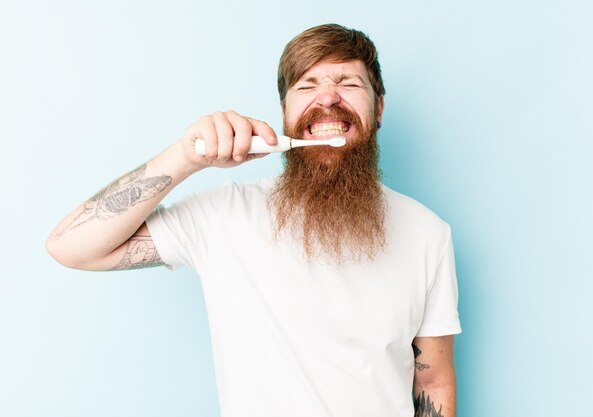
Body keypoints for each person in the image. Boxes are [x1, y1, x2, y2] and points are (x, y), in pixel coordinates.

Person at [47, 23, 461, 417]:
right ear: (285, 112)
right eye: (307, 85)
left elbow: (435, 383)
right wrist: (186, 157)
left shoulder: (427, 234)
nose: (329, 98)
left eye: (348, 83)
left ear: (379, 108)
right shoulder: (222, 218)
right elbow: (70, 246)